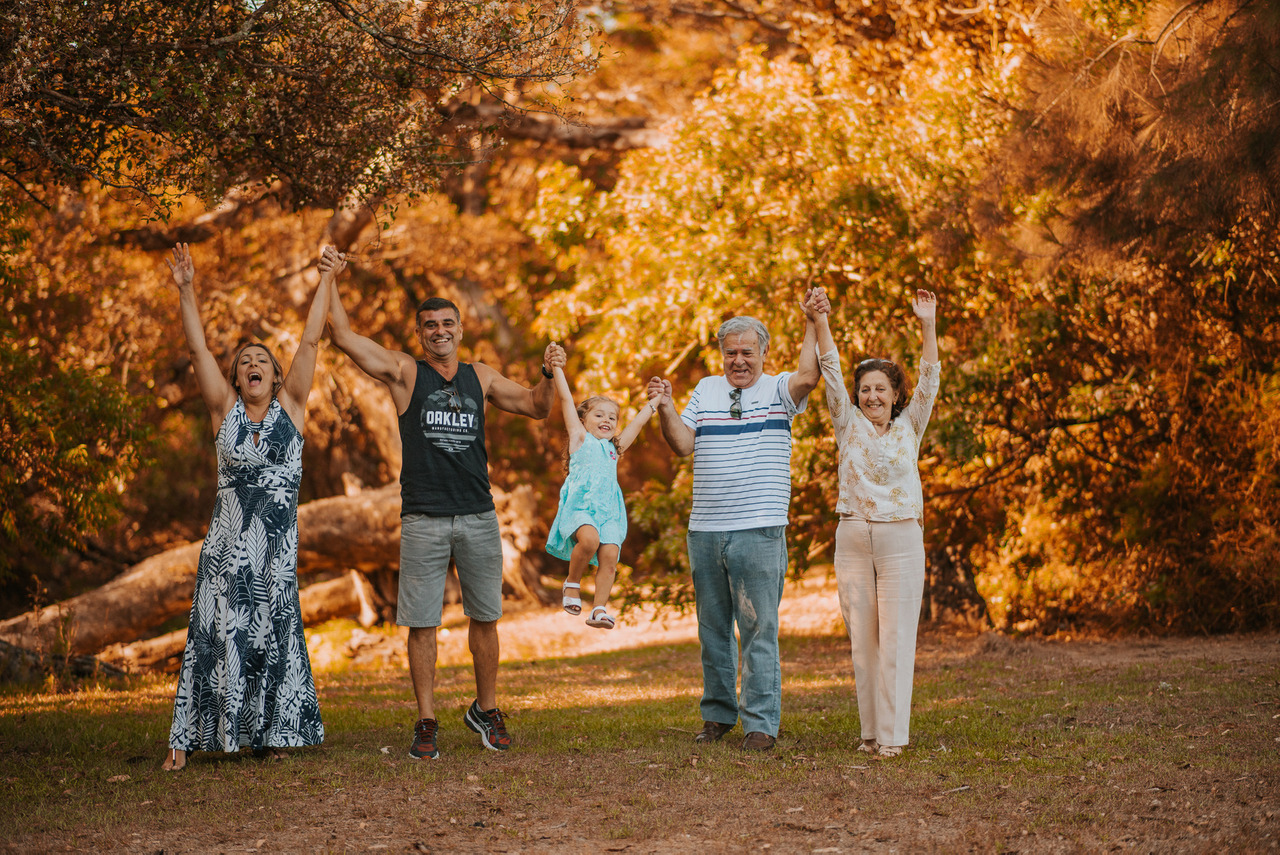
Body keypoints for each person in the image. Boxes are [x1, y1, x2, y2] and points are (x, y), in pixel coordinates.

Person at [323, 249, 565, 760]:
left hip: (478, 514)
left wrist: (547, 371)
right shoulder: (406, 372)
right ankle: (427, 720)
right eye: (429, 325)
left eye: (447, 323)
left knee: (485, 616)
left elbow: (538, 408)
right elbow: (343, 338)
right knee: (422, 622)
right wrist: (330, 279)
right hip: (423, 517)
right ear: (419, 334)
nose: (439, 331)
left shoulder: (480, 376)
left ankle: (486, 708)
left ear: (459, 328)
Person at [162, 243, 334, 772]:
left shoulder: (293, 408)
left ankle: (272, 731)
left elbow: (309, 339)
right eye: (245, 363)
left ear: (276, 377)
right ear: (236, 379)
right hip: (228, 551)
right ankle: (185, 739)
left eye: (262, 361)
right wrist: (188, 291)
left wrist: (326, 277)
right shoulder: (223, 411)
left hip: (277, 552)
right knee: (216, 632)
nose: (253, 365)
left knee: (273, 626)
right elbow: (198, 355)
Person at [646, 297, 821, 751]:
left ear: (764, 353)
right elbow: (683, 445)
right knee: (713, 629)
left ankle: (761, 724)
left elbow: (809, 376)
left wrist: (810, 321)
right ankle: (718, 717)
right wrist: (665, 407)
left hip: (759, 527)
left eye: (747, 352)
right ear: (721, 354)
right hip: (705, 528)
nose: (738, 360)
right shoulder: (705, 389)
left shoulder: (779, 388)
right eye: (731, 352)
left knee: (759, 627)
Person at [808, 287, 940, 758]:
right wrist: (821, 319)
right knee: (863, 641)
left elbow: (930, 378)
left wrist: (927, 323)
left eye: (880, 388)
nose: (871, 395)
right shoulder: (847, 422)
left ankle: (893, 738)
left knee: (897, 638)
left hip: (901, 535)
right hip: (853, 536)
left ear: (895, 394)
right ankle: (869, 734)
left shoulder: (911, 425)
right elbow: (830, 370)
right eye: (865, 389)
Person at [546, 360, 658, 629]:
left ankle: (599, 608)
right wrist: (558, 367)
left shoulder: (613, 449)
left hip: (609, 511)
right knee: (590, 540)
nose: (607, 420)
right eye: (599, 415)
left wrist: (654, 403)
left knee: (610, 555)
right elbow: (565, 398)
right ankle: (572, 583)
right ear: (583, 419)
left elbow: (637, 426)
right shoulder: (579, 438)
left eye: (612, 417)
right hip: (581, 506)